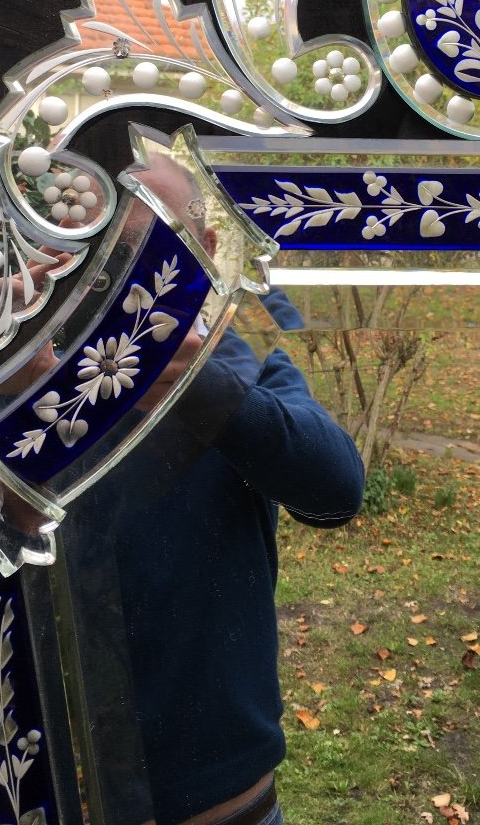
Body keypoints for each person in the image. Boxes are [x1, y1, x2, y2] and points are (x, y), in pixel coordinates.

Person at [68, 153, 366, 825]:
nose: (132, 281)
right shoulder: (51, 383)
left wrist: (194, 384)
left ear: (203, 249)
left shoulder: (249, 361)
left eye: (155, 249)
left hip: (227, 805)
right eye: (112, 255)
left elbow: (336, 489)